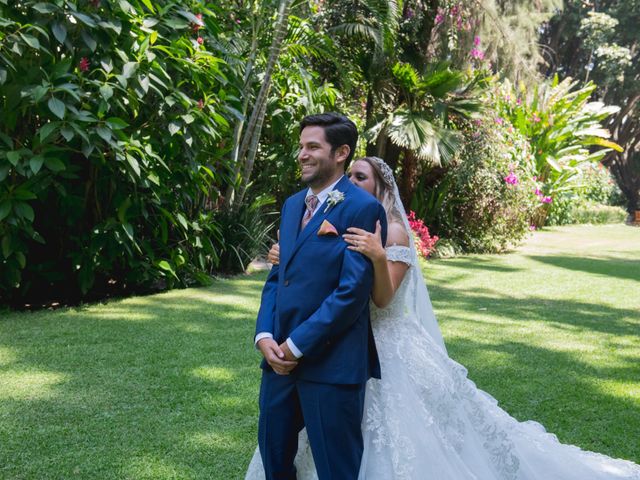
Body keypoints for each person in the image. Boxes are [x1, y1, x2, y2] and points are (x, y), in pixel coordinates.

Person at [246, 156, 640, 479]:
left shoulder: (393, 231)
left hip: (383, 342)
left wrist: (378, 256)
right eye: (349, 176)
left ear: (381, 187)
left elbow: (381, 301)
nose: (351, 182)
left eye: (360, 176)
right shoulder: (329, 218)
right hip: (332, 340)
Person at [253, 113, 388, 480]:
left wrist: (296, 347)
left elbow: (351, 294)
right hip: (277, 362)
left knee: (335, 469)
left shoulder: (363, 208)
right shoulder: (292, 205)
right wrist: (265, 337)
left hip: (332, 365)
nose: (302, 154)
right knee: (274, 461)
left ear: (341, 152)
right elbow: (277, 279)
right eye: (301, 146)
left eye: (313, 146)